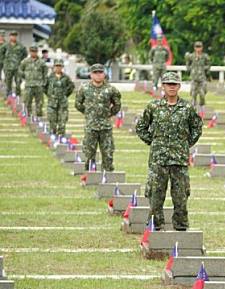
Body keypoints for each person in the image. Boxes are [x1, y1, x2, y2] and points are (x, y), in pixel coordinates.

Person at [136, 72, 202, 231]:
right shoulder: (153, 106)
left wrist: (185, 144)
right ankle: (155, 226)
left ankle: (180, 227)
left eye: (174, 84)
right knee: (155, 195)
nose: (171, 87)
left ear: (179, 86)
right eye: (168, 84)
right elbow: (141, 127)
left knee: (180, 196)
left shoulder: (187, 108)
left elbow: (197, 128)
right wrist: (154, 142)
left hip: (179, 160)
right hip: (159, 159)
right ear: (163, 86)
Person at [75, 63, 122, 171]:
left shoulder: (111, 89)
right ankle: (89, 176)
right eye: (95, 73)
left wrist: (108, 114)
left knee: (108, 153)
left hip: (105, 126)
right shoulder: (84, 88)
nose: (98, 75)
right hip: (91, 126)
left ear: (104, 74)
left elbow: (117, 104)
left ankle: (107, 176)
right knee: (89, 153)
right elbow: (78, 104)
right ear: (91, 75)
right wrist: (88, 113)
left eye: (100, 72)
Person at [45, 59, 75, 136]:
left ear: (62, 67)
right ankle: (53, 141)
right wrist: (50, 95)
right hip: (52, 104)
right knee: (52, 124)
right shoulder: (49, 77)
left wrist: (65, 95)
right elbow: (44, 87)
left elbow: (71, 87)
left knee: (62, 123)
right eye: (57, 66)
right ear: (54, 67)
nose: (58, 68)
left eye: (60, 66)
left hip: (63, 104)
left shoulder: (66, 77)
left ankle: (62, 140)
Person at [19, 46, 48, 118]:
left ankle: (39, 117)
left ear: (37, 52)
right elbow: (20, 70)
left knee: (40, 102)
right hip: (29, 85)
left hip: (39, 86)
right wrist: (25, 76)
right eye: (32, 51)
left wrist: (44, 82)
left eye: (35, 51)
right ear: (30, 52)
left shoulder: (41, 62)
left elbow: (45, 72)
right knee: (27, 102)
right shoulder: (25, 61)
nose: (33, 53)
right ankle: (28, 117)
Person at [185, 41, 210, 108]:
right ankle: (193, 109)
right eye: (197, 47)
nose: (198, 49)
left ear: (202, 48)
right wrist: (190, 69)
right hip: (194, 78)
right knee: (193, 94)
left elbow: (208, 65)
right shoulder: (191, 56)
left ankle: (202, 108)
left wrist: (204, 69)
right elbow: (187, 64)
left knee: (202, 94)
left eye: (199, 47)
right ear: (194, 48)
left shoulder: (205, 56)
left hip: (202, 78)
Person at [2, 31, 27, 97]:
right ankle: (8, 97)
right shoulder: (5, 45)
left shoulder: (21, 46)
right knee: (8, 83)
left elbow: (25, 54)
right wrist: (4, 62)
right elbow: (1, 54)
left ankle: (18, 96)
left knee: (18, 82)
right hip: (8, 67)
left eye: (15, 36)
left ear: (16, 37)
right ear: (10, 36)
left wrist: (20, 61)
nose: (13, 37)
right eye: (12, 35)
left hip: (17, 68)